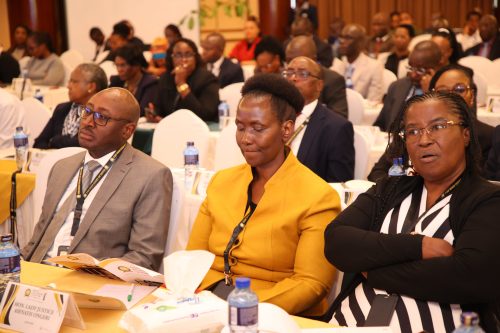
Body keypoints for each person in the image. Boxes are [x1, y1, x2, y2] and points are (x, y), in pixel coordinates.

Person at [324, 92, 500, 332]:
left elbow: (469, 276)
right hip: (347, 324)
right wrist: (417, 246)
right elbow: (336, 240)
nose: (423, 140)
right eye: (413, 131)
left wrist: (372, 271)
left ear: (466, 133)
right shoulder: (392, 187)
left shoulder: (486, 199)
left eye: (437, 126)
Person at [186, 74, 339, 316]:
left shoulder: (318, 196)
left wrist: (241, 307)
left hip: (272, 310)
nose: (245, 139)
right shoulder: (221, 181)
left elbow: (311, 284)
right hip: (206, 301)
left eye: (258, 128)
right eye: (240, 127)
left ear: (286, 129)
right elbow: (193, 258)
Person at [22, 87, 173, 271]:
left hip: (91, 282)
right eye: (87, 111)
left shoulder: (151, 176)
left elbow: (144, 257)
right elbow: (37, 238)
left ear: (127, 130)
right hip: (36, 275)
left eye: (102, 117)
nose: (88, 122)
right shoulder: (62, 167)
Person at [369, 64, 494, 181]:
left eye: (459, 89)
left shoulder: (491, 137)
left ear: (472, 96)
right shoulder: (412, 131)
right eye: (442, 91)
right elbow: (377, 173)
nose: (451, 96)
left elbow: (484, 184)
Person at [284, 56, 354, 182]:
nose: (293, 78)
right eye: (289, 73)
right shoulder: (273, 118)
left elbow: (338, 185)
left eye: (302, 74)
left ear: (319, 85)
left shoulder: (336, 128)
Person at [34, 64, 108, 149]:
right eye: (69, 81)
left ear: (91, 87)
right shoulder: (62, 109)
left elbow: (89, 145)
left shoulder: (101, 115)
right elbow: (39, 142)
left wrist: (56, 141)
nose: (68, 86)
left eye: (74, 82)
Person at [373, 40, 442, 132]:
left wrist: (430, 92)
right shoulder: (397, 86)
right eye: (411, 68)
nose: (413, 74)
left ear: (437, 67)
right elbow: (381, 124)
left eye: (420, 69)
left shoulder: (443, 91)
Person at [148, 38, 219, 122]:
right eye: (178, 55)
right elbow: (159, 109)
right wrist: (154, 113)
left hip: (198, 129)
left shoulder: (207, 78)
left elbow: (205, 115)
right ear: (171, 58)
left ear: (195, 57)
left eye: (188, 55)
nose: (184, 60)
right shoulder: (166, 78)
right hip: (170, 128)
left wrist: (181, 84)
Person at [285, 35, 348, 119]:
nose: (293, 63)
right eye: (288, 60)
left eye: (301, 59)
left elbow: (339, 118)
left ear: (314, 59)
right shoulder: (283, 78)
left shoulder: (333, 80)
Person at [332, 24, 384, 102]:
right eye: (341, 37)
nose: (342, 41)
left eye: (348, 38)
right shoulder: (337, 65)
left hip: (362, 112)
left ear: (361, 42)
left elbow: (373, 102)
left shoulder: (374, 66)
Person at [109, 45, 158, 116]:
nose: (119, 70)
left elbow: (141, 111)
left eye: (123, 65)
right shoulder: (116, 81)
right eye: (117, 65)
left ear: (136, 65)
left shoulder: (150, 83)